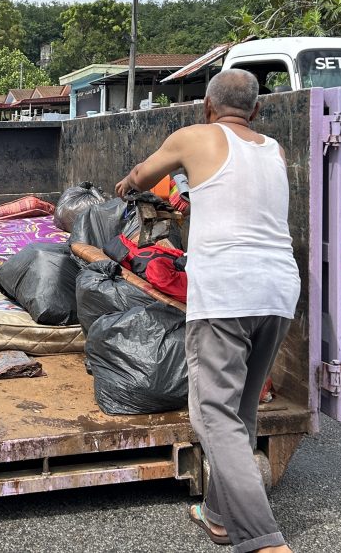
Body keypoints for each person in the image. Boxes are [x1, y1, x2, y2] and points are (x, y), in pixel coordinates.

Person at [114, 69, 299, 553]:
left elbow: (143, 176)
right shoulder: (274, 150)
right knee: (241, 410)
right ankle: (218, 517)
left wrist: (127, 183)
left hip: (226, 292)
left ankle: (265, 541)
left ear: (207, 107)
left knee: (214, 415)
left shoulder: (194, 136)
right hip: (278, 290)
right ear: (256, 110)